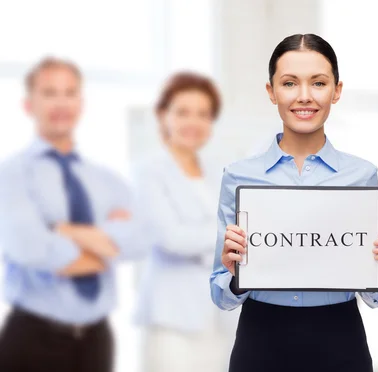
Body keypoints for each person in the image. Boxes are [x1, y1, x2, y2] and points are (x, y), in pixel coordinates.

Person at [209, 34, 378, 372]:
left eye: (318, 83)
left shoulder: (362, 175)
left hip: (341, 338)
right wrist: (234, 271)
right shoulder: (239, 176)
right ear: (271, 91)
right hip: (260, 338)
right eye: (289, 83)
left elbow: (376, 298)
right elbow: (221, 297)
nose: (304, 96)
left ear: (336, 91)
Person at [0, 57, 151, 372]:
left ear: (81, 103)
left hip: (96, 340)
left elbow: (139, 241)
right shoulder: (12, 174)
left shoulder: (106, 179)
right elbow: (30, 249)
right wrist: (106, 247)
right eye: (50, 92)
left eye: (70, 93)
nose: (61, 102)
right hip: (33, 339)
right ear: (29, 104)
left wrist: (63, 230)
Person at [134, 72, 233, 372]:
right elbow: (170, 238)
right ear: (163, 116)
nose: (194, 122)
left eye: (203, 114)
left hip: (221, 315)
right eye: (183, 112)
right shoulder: (148, 172)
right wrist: (228, 236)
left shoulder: (220, 172)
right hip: (172, 318)